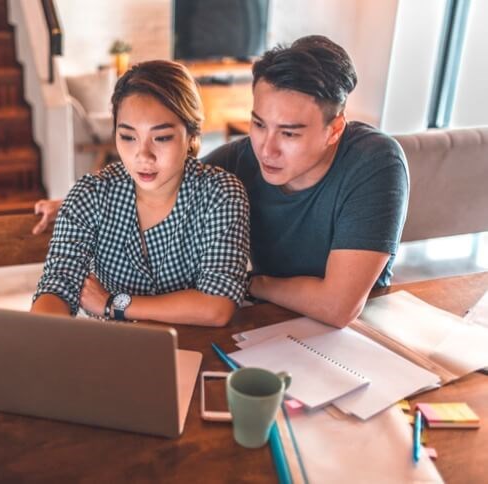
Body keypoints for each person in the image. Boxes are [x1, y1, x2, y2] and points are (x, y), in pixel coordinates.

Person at [32, 36, 409, 329]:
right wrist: (74, 203)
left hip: (357, 334)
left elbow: (338, 306)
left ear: (334, 130)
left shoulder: (374, 162)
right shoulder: (241, 159)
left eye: (289, 134)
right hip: (265, 326)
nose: (266, 148)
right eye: (258, 124)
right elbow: (164, 180)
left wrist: (249, 284)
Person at [31, 60, 250, 327]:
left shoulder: (221, 194)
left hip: (198, 348)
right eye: (128, 137)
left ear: (191, 134)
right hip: (116, 350)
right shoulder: (90, 194)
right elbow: (58, 285)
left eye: (162, 137)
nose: (142, 155)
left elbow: (217, 306)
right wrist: (39, 337)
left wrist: (113, 303)